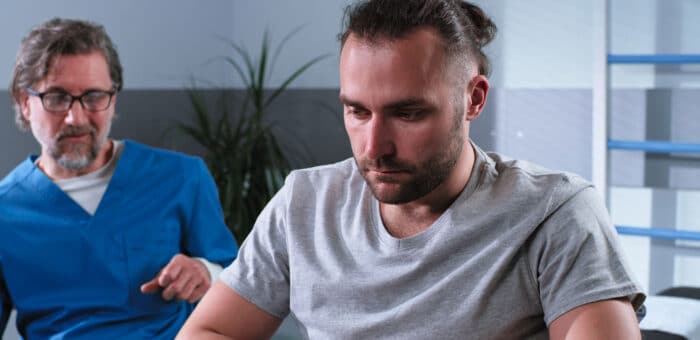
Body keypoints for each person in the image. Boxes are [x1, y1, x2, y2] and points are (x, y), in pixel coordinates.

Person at [177, 1, 645, 339]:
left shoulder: (554, 214)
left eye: (408, 114)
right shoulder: (304, 205)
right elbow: (211, 329)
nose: (374, 148)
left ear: (473, 98)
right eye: (357, 111)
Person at [0, 18, 238, 339]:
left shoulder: (183, 178)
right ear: (24, 103)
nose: (76, 117)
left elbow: (239, 283)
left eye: (94, 96)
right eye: (56, 98)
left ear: (114, 98)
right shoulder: (5, 212)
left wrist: (205, 271)